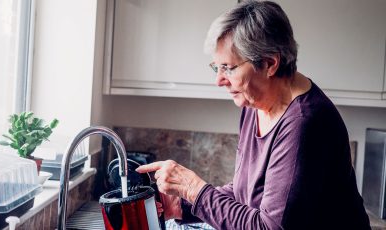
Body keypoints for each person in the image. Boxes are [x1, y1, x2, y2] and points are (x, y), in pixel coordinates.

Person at [136, 0, 371, 229]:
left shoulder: (304, 124)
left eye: (228, 67)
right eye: (216, 67)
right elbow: (245, 193)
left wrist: (195, 190)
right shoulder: (255, 103)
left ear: (269, 63)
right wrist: (183, 205)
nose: (219, 80)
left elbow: (269, 226)